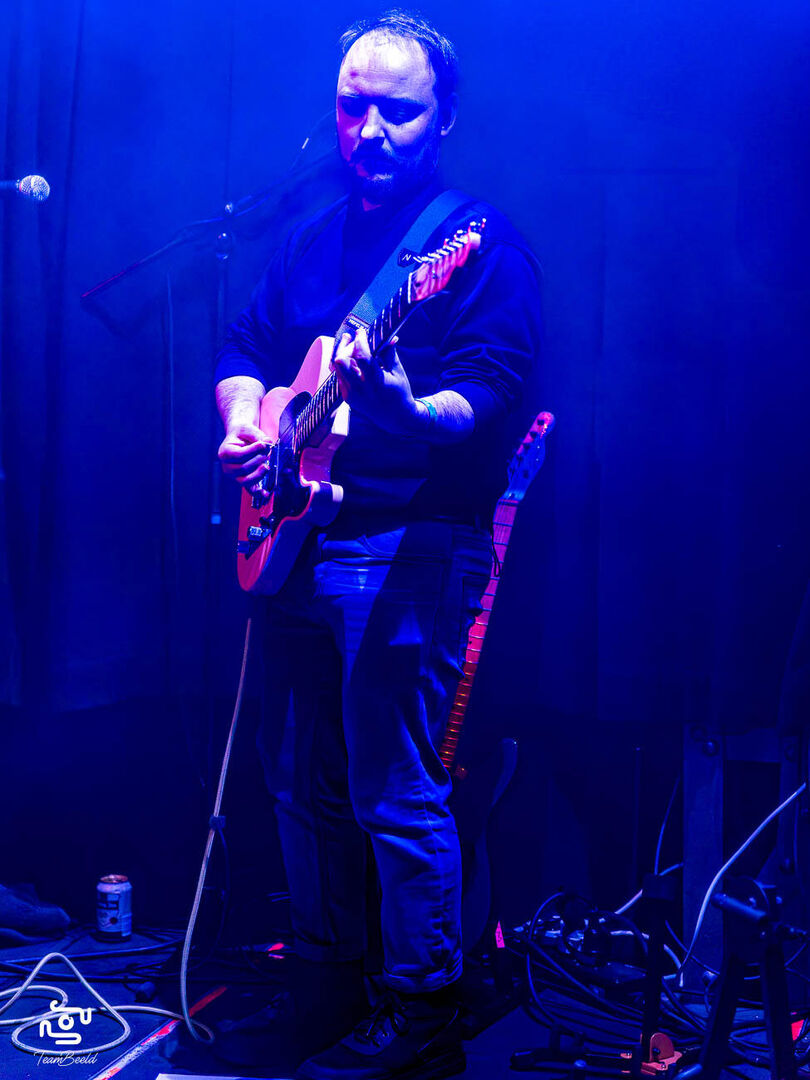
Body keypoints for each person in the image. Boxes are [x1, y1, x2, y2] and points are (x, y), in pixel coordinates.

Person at [214, 11, 542, 1079]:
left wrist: (407, 406)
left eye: (396, 110)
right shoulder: (311, 236)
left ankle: (422, 1008)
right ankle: (323, 986)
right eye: (353, 106)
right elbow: (246, 347)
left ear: (444, 118)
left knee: (393, 791)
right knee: (295, 781)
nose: (369, 129)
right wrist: (249, 422)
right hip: (301, 539)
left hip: (409, 542)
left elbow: (486, 396)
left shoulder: (476, 244)